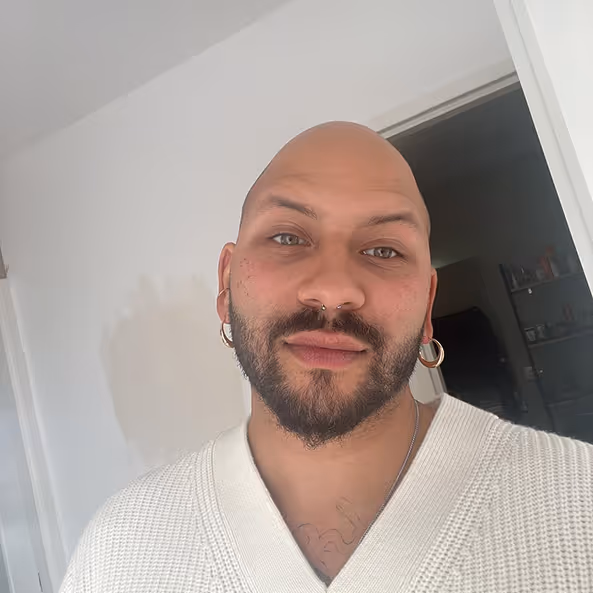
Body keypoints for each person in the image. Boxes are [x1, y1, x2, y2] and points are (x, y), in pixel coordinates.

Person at [61, 123, 593, 593]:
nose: (334, 290)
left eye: (384, 250)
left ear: (428, 306)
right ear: (227, 283)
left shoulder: (577, 504)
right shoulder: (117, 552)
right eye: (287, 237)